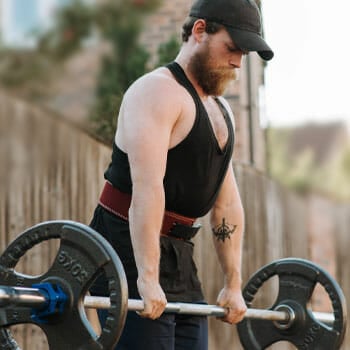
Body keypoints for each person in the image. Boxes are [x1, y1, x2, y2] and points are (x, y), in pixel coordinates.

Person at [89, 0, 273, 348]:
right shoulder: (157, 91)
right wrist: (146, 276)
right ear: (200, 31)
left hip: (179, 255)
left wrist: (233, 284)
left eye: (243, 54)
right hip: (126, 246)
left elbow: (227, 204)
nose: (237, 61)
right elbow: (147, 188)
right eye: (232, 48)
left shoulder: (221, 111)